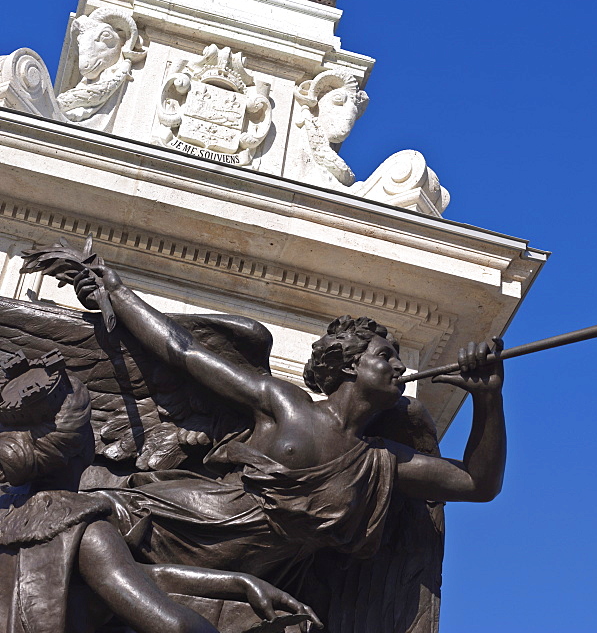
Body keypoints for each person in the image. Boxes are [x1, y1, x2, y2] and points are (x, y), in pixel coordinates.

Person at [71, 262, 507, 633]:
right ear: (351, 363)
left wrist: (488, 399)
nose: (399, 365)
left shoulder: (381, 462)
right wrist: (118, 292)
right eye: (385, 355)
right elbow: (184, 352)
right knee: (75, 535)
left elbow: (478, 482)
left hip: (238, 572)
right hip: (174, 518)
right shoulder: (284, 404)